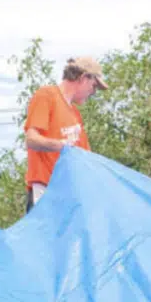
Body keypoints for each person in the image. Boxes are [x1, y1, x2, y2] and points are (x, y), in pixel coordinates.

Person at [22, 55, 108, 211]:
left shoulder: (75, 113)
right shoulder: (46, 96)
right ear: (83, 78)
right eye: (93, 86)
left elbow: (86, 156)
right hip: (45, 193)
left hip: (68, 195)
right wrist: (61, 146)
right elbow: (31, 139)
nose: (93, 92)